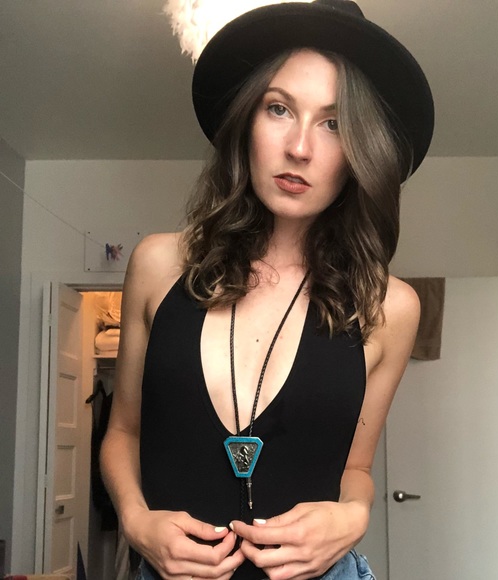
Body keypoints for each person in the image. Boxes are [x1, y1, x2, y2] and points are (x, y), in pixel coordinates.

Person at [100, 1, 434, 579]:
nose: (300, 147)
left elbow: (355, 470)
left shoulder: (389, 307)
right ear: (246, 122)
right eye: (279, 108)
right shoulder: (158, 265)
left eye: (333, 123)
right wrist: (134, 520)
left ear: (361, 149)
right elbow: (123, 433)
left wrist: (354, 515)